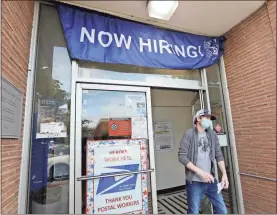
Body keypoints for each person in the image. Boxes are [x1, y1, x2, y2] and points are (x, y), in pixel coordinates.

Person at [178, 109, 228, 214]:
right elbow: (182, 156)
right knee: (194, 211)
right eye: (206, 117)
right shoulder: (189, 134)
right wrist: (200, 172)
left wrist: (224, 174)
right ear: (198, 119)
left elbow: (219, 155)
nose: (209, 120)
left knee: (222, 210)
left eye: (210, 118)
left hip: (211, 181)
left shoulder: (212, 134)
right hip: (195, 182)